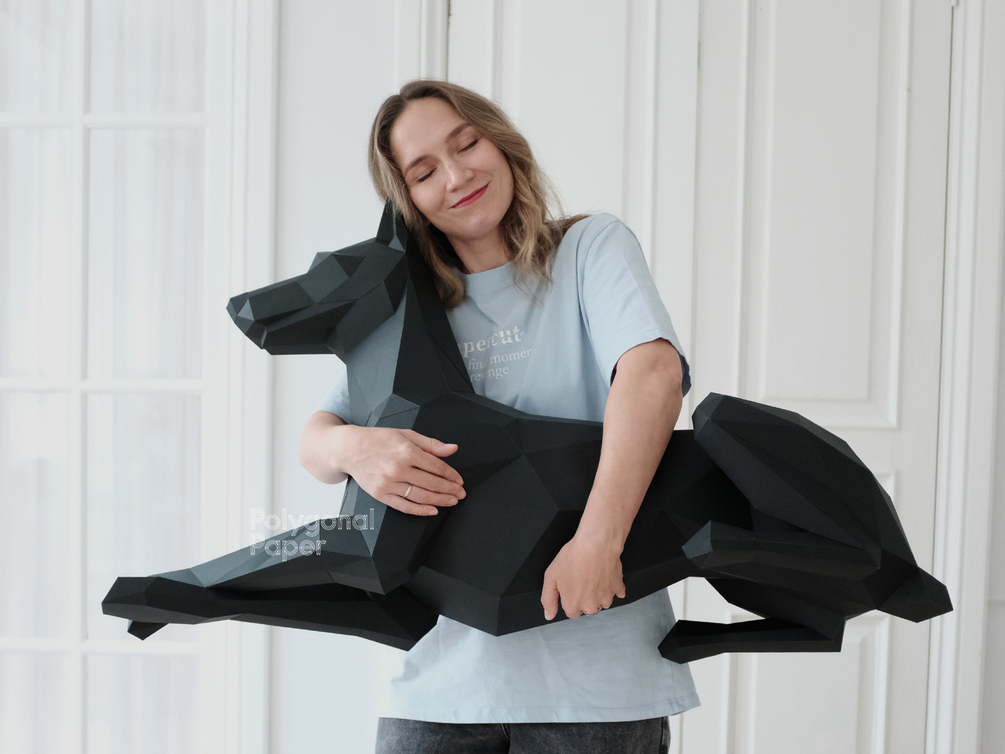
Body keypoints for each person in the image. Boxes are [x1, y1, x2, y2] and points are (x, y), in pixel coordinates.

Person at [299, 80, 699, 754]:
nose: (456, 176)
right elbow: (317, 440)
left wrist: (597, 542)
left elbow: (652, 375)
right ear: (407, 199)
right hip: (435, 687)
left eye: (466, 144)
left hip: (595, 688)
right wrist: (354, 450)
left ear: (501, 142)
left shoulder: (589, 249)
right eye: (424, 172)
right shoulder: (407, 310)